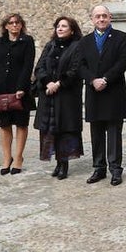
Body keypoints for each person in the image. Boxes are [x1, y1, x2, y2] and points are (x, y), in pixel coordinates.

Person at [76, 5, 126, 185]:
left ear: (110, 18)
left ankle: (115, 169)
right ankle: (98, 168)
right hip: (94, 93)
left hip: (113, 91)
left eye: (104, 16)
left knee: (114, 134)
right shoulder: (84, 42)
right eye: (98, 16)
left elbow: (124, 62)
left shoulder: (121, 38)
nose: (101, 19)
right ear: (92, 19)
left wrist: (105, 79)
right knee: (96, 133)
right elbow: (80, 65)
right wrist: (93, 80)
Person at [34, 16, 85, 180]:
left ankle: (64, 163)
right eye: (58, 26)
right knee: (50, 130)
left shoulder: (77, 47)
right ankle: (57, 162)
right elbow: (40, 66)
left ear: (72, 29)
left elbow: (75, 69)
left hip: (66, 96)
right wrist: (47, 82)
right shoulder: (50, 45)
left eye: (64, 26)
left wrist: (59, 83)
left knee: (65, 129)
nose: (60, 29)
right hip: (48, 96)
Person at [0, 12, 35, 175]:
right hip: (2, 88)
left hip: (20, 88)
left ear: (21, 25)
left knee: (21, 124)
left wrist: (22, 87)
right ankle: (7, 158)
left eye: (17, 22)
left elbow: (28, 65)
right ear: (6, 26)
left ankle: (19, 157)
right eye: (11, 23)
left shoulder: (27, 41)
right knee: (4, 124)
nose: (14, 25)